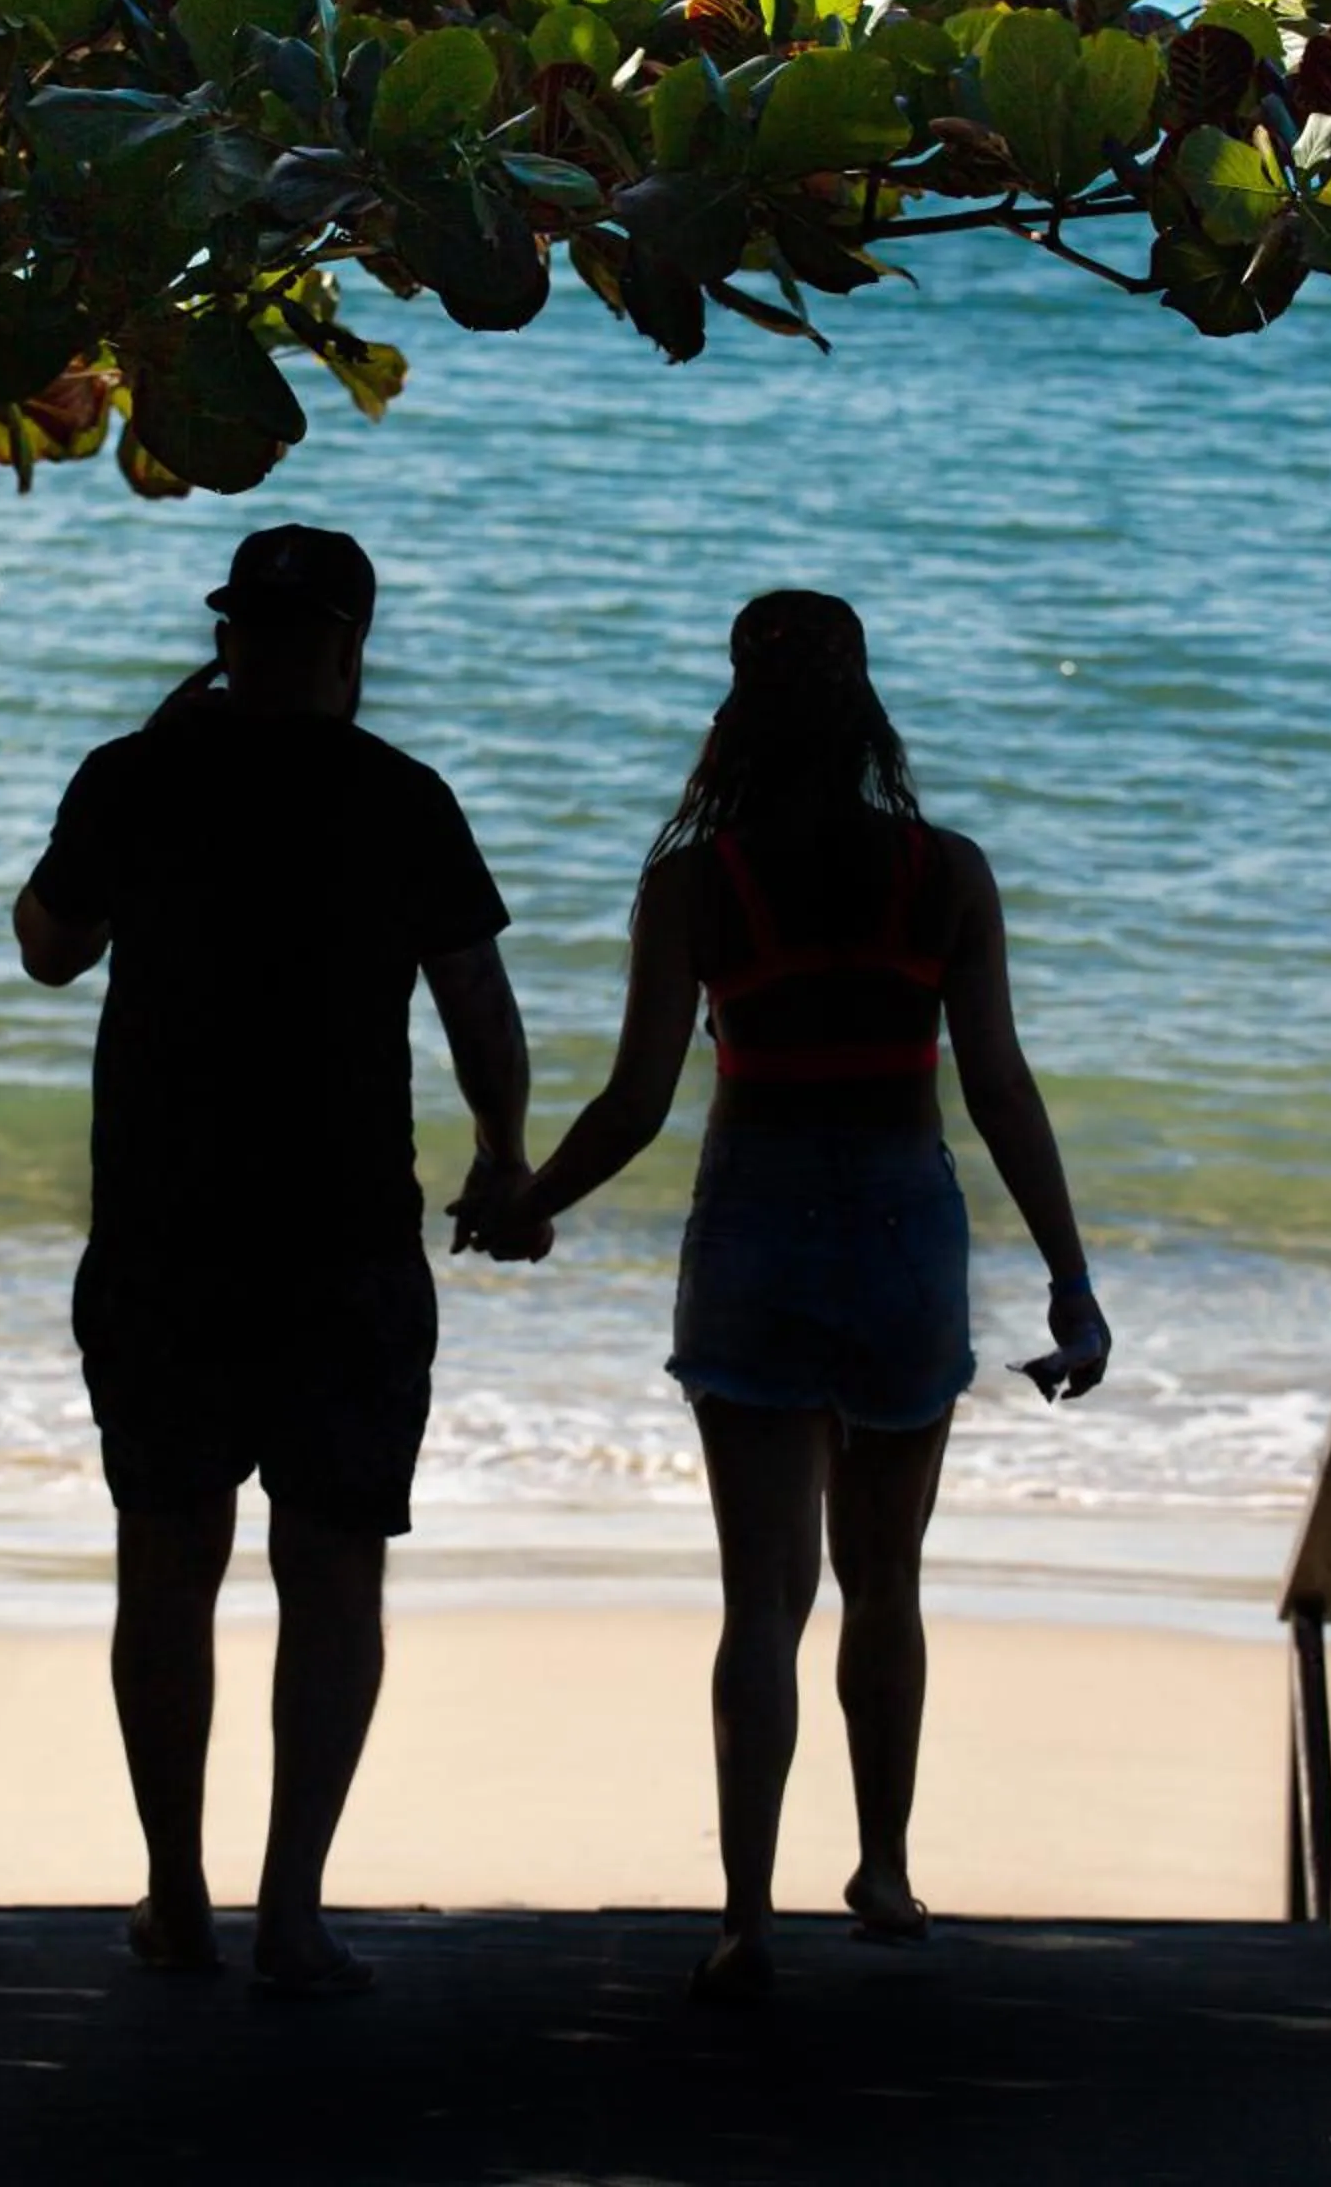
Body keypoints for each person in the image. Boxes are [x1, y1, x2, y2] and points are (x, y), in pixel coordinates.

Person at [461, 590, 1111, 2002]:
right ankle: (880, 1870)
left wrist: (527, 1202)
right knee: (888, 1580)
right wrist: (1070, 1281)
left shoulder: (700, 880)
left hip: (754, 1220)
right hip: (901, 1231)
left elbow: (637, 1102)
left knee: (763, 1599)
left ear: (736, 712)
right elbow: (997, 1086)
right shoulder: (947, 874)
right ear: (867, 708)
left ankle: (748, 1916)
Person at [16, 524, 531, 1998]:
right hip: (347, 1235)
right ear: (353, 646)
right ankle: (290, 1912)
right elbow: (476, 1001)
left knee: (167, 1569)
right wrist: (504, 1157)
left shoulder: (138, 775)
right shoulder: (400, 799)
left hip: (166, 1234)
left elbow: (48, 948)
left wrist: (142, 788)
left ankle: (178, 1895)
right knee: (333, 1574)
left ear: (232, 634)